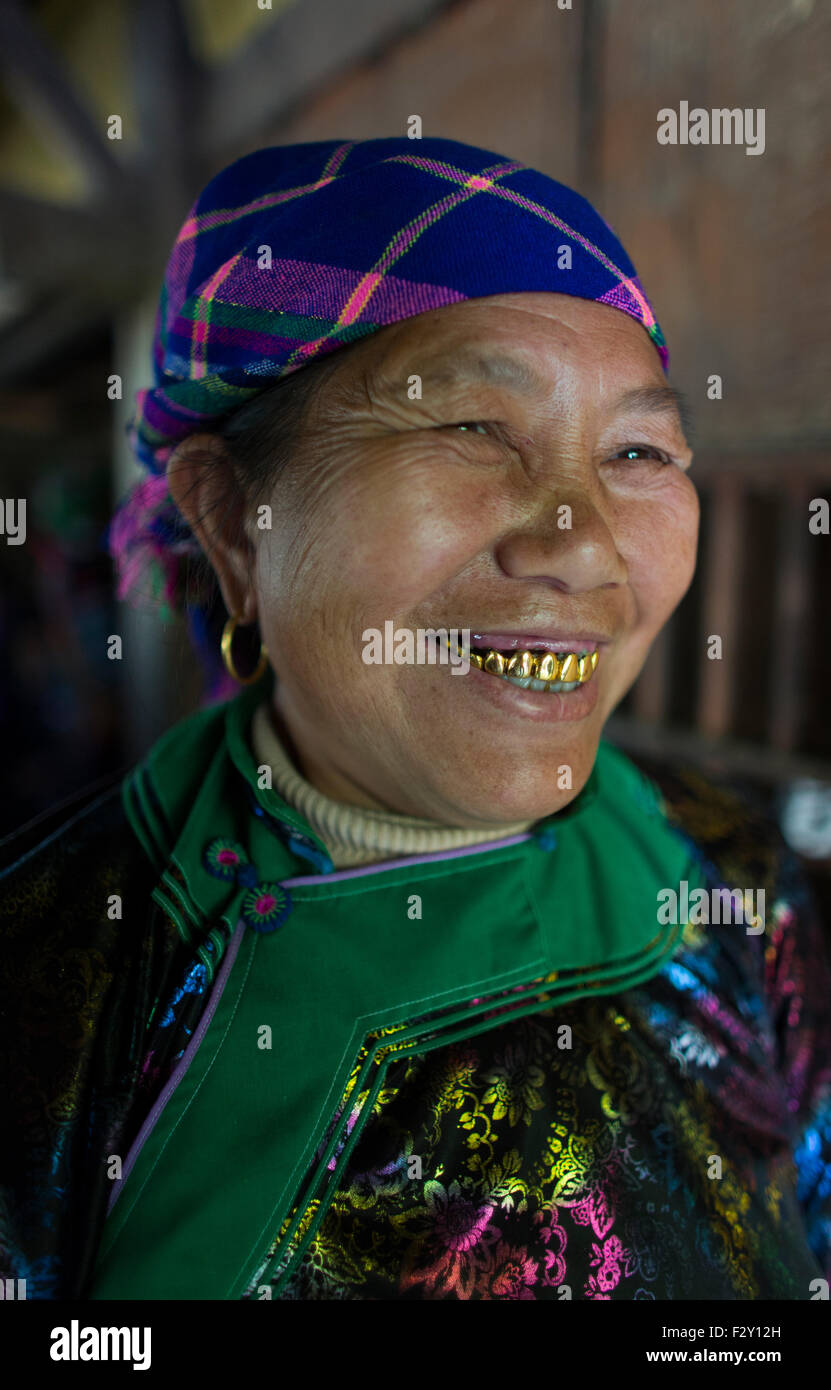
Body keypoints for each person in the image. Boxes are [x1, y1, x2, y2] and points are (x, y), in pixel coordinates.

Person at [1, 136, 829, 1301]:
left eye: (638, 449)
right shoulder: (46, 985)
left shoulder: (731, 878)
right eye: (473, 428)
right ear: (237, 520)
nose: (581, 539)